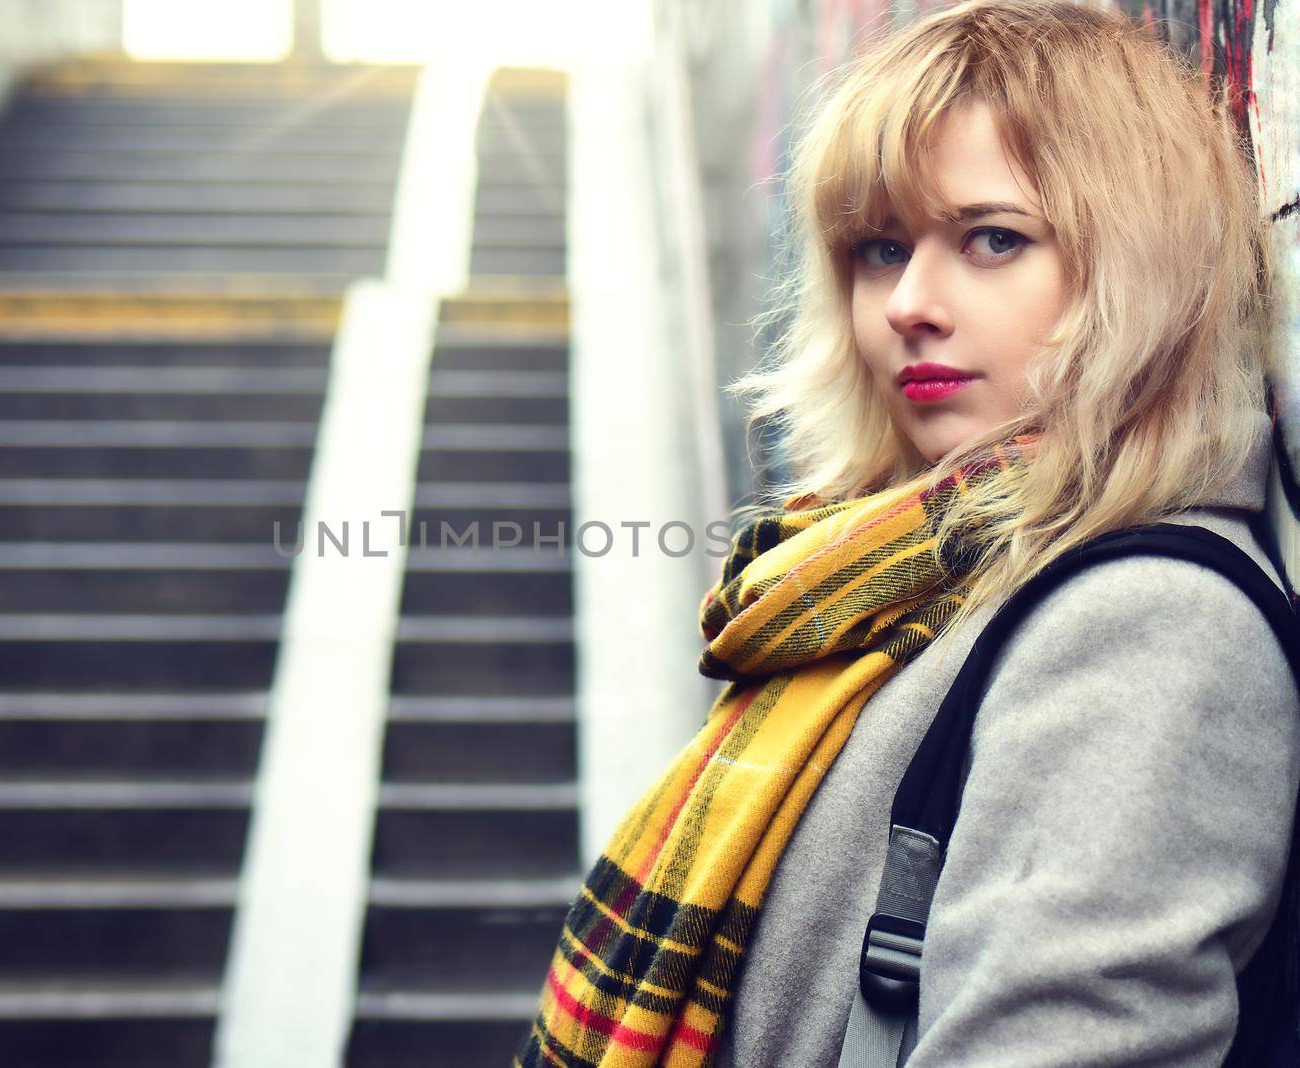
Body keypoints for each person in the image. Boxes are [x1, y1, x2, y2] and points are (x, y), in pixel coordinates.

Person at [512, 1, 1300, 1066]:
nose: (908, 303)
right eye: (881, 249)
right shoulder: (888, 588)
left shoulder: (1144, 628)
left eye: (992, 239)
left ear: (1141, 268)